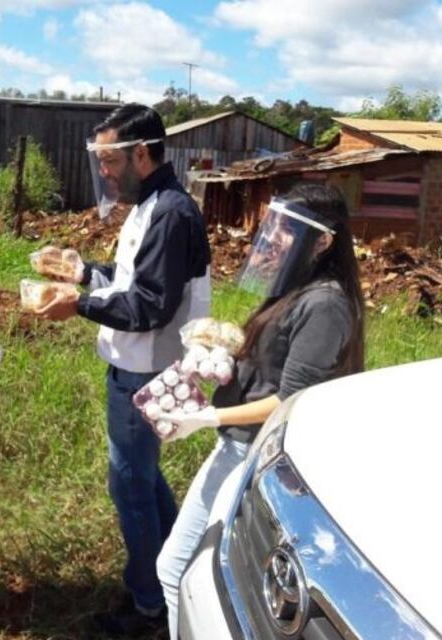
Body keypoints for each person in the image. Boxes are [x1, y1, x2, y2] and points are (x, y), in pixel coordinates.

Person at [154, 182, 366, 639]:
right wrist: (226, 358)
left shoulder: (325, 303)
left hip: (252, 455)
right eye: (273, 226)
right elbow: (275, 367)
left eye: (286, 230)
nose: (270, 238)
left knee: (177, 570)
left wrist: (205, 418)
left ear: (324, 240)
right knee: (187, 570)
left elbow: (291, 400)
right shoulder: (299, 288)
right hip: (237, 447)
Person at [37, 103, 212, 636]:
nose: (105, 172)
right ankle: (172, 573)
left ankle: (148, 607)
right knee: (143, 477)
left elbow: (148, 306)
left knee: (130, 485)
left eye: (111, 161)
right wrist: (86, 271)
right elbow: (132, 276)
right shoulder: (150, 204)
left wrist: (77, 304)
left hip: (147, 372)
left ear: (141, 153)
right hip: (141, 367)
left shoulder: (171, 212)